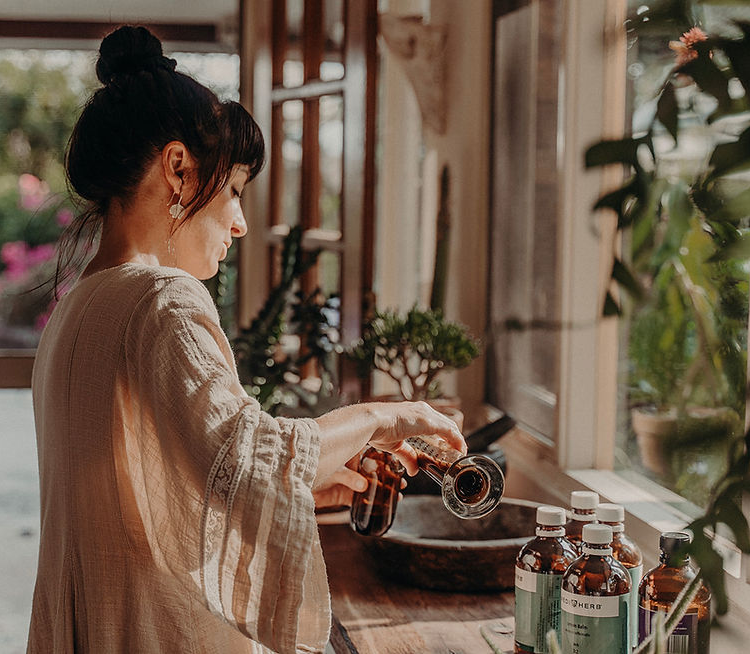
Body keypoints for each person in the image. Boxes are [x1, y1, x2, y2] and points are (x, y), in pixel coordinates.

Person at [26, 25, 465, 654]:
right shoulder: (161, 299)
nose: (240, 220)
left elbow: (155, 490)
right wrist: (389, 414)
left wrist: (310, 482)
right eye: (232, 190)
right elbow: (247, 448)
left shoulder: (78, 309)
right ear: (177, 169)